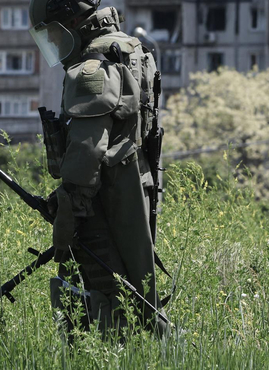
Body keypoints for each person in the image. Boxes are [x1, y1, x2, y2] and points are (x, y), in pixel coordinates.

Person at [28, 0, 169, 336]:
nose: (55, 43)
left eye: (54, 33)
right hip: (136, 194)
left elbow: (88, 148)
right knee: (136, 289)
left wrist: (67, 211)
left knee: (104, 300)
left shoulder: (91, 69)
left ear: (73, 21)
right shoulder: (133, 50)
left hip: (101, 206)